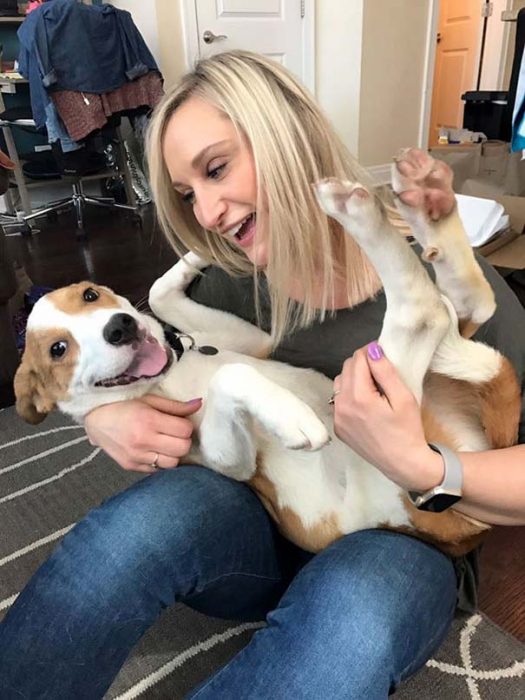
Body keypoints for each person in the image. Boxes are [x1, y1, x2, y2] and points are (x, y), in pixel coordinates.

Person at [0, 50, 524, 700]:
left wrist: (424, 469)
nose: (209, 212)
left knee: (350, 619)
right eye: (190, 196)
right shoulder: (226, 282)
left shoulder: (465, 292)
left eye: (217, 169)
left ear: (290, 136)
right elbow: (121, 348)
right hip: (262, 524)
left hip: (400, 541)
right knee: (127, 535)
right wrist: (105, 415)